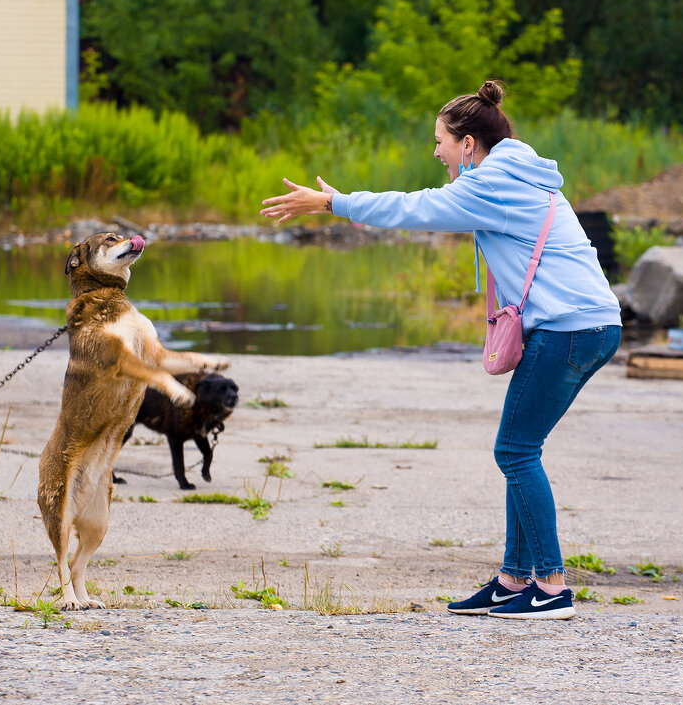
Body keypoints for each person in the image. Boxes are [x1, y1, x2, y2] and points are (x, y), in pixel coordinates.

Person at [259, 81, 622, 620]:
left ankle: (550, 586)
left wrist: (333, 202)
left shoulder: (493, 184)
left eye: (440, 142)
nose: (436, 153)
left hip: (570, 328)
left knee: (515, 451)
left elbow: (415, 208)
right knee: (521, 448)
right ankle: (511, 580)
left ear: (469, 144)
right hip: (590, 324)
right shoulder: (522, 175)